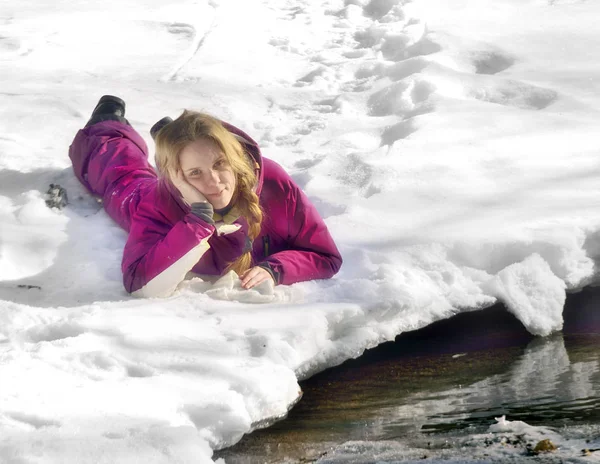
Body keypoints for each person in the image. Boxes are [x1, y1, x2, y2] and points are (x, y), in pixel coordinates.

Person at [68, 95, 342, 298]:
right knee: (122, 181)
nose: (214, 182)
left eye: (220, 164)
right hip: (162, 197)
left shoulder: (271, 180)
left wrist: (277, 268)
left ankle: (172, 137)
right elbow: (139, 285)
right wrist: (197, 219)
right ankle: (108, 126)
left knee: (192, 148)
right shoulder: (160, 199)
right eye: (195, 173)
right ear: (176, 175)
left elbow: (325, 255)